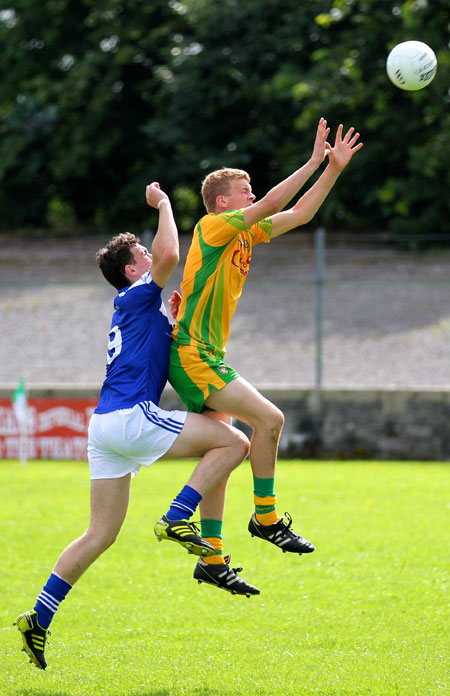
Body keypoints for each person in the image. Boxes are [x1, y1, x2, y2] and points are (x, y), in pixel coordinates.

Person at [15, 182, 253, 671]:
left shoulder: (141, 306)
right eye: (141, 253)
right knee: (235, 442)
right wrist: (163, 203)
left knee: (99, 534)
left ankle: (39, 618)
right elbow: (170, 249)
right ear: (132, 269)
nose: (152, 254)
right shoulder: (138, 291)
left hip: (104, 428)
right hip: (128, 417)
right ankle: (177, 515)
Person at [166, 119, 363, 593]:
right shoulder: (213, 228)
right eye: (245, 189)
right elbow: (276, 202)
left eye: (252, 188)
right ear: (222, 202)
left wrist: (332, 171)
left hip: (207, 353)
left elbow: (298, 214)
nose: (253, 194)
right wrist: (313, 161)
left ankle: (212, 557)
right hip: (194, 354)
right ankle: (266, 517)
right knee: (269, 420)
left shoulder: (244, 236)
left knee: (223, 446)